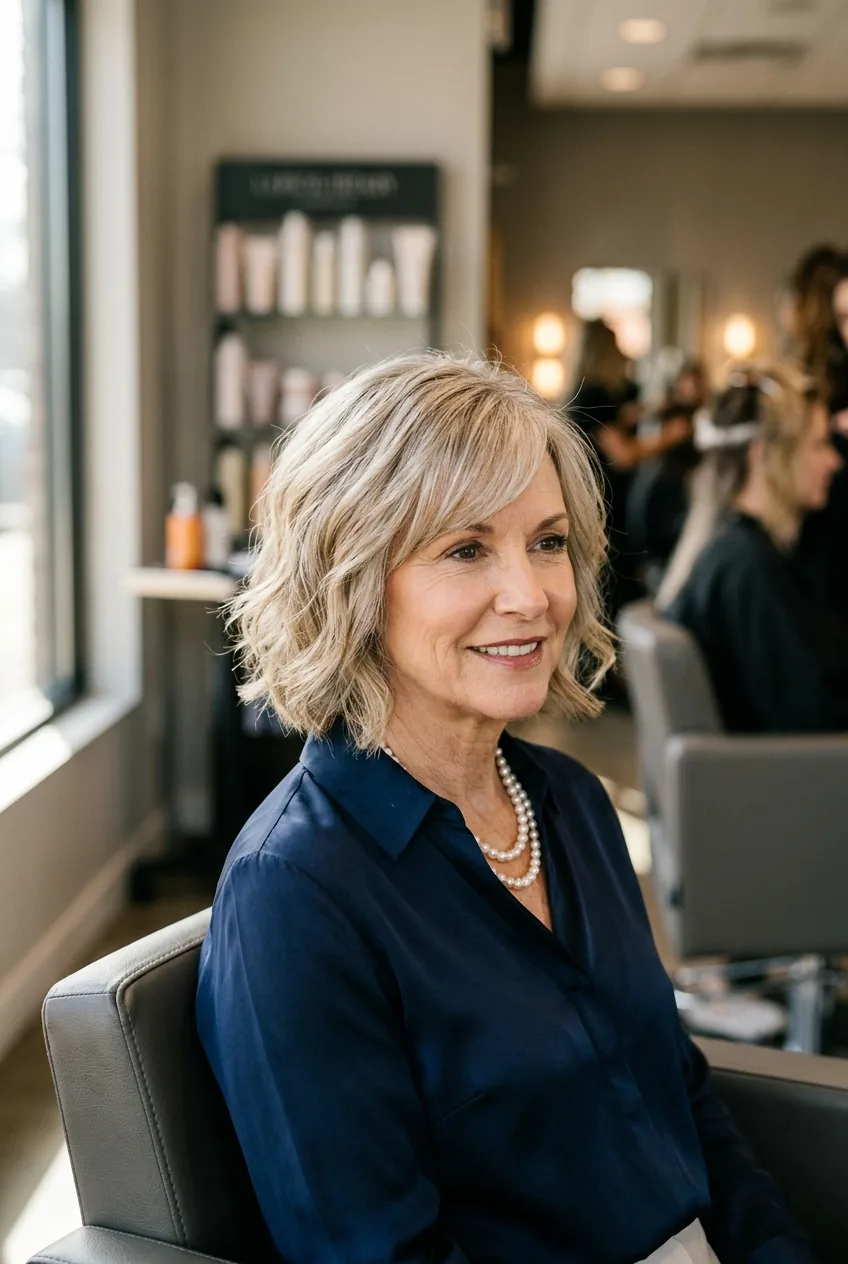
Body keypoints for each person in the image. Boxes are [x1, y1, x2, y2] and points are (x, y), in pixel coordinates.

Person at [196, 352, 819, 1263]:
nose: (532, 597)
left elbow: (681, 1102)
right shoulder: (295, 895)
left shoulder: (570, 803)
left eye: (549, 542)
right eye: (465, 549)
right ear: (352, 580)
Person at [659, 366, 848, 734]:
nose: (834, 461)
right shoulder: (748, 569)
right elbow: (813, 720)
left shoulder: (736, 555)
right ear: (765, 455)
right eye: (818, 444)